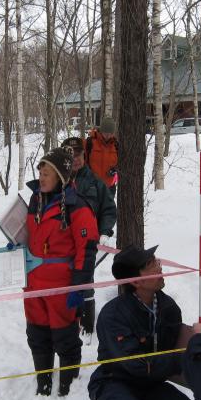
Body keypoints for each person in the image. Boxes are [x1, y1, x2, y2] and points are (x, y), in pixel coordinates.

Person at [61, 245, 195, 400]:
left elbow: (168, 352)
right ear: (136, 281)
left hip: (151, 383)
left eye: (156, 261)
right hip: (115, 381)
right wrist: (183, 357)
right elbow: (136, 365)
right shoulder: (113, 315)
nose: (160, 266)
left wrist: (196, 346)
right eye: (151, 264)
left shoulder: (169, 309)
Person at [24, 146, 98, 397]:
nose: (41, 177)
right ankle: (42, 384)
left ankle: (68, 388)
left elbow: (86, 250)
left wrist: (78, 287)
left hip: (61, 287)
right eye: (40, 172)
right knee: (37, 335)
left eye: (47, 173)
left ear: (60, 177)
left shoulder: (78, 207)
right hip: (34, 285)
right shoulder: (36, 200)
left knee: (64, 338)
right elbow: (28, 236)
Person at [61, 136, 117, 334]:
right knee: (63, 284)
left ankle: (86, 330)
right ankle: (66, 324)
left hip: (86, 245)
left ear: (84, 155)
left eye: (78, 155)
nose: (75, 159)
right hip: (61, 245)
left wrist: (104, 231)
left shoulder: (95, 182)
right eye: (70, 156)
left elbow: (109, 209)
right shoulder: (57, 180)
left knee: (85, 283)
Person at [85, 118, 118, 196]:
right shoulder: (90, 143)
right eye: (106, 133)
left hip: (109, 188)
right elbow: (82, 162)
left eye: (110, 133)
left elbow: (120, 164)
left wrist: (115, 169)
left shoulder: (116, 146)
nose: (108, 136)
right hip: (93, 187)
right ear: (101, 131)